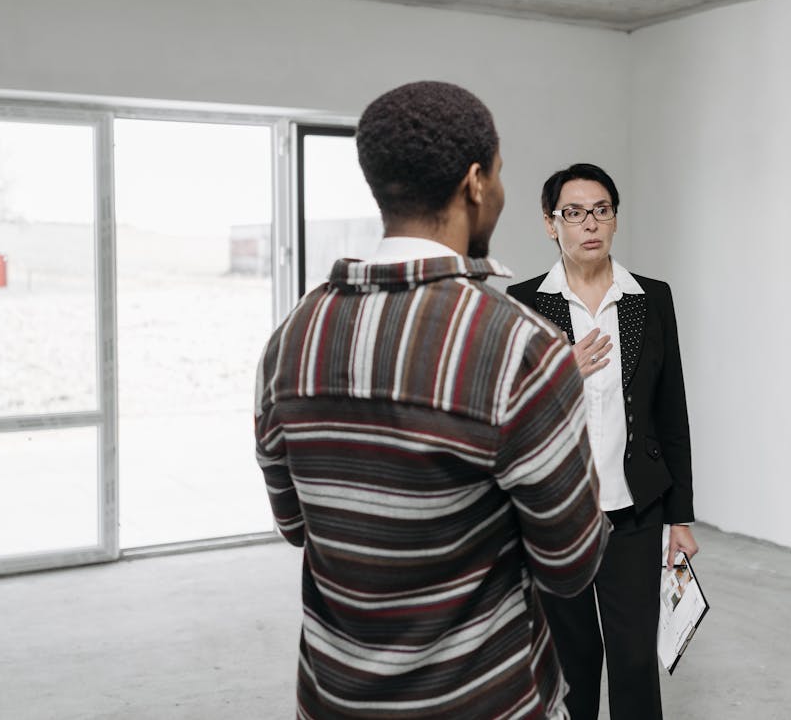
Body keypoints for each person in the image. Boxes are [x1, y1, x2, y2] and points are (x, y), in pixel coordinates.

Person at [254, 82, 609, 719]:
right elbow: (572, 561)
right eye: (499, 174)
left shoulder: (292, 340)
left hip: (332, 700)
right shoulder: (519, 346)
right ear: (475, 182)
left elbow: (296, 526)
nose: (498, 190)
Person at [507, 163, 697, 720]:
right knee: (572, 660)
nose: (589, 223)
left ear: (614, 219)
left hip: (634, 508)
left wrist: (680, 517)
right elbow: (507, 415)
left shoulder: (650, 298)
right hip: (557, 515)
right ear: (550, 224)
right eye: (573, 212)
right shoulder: (524, 301)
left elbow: (672, 411)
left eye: (601, 210)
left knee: (636, 661)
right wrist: (559, 371)